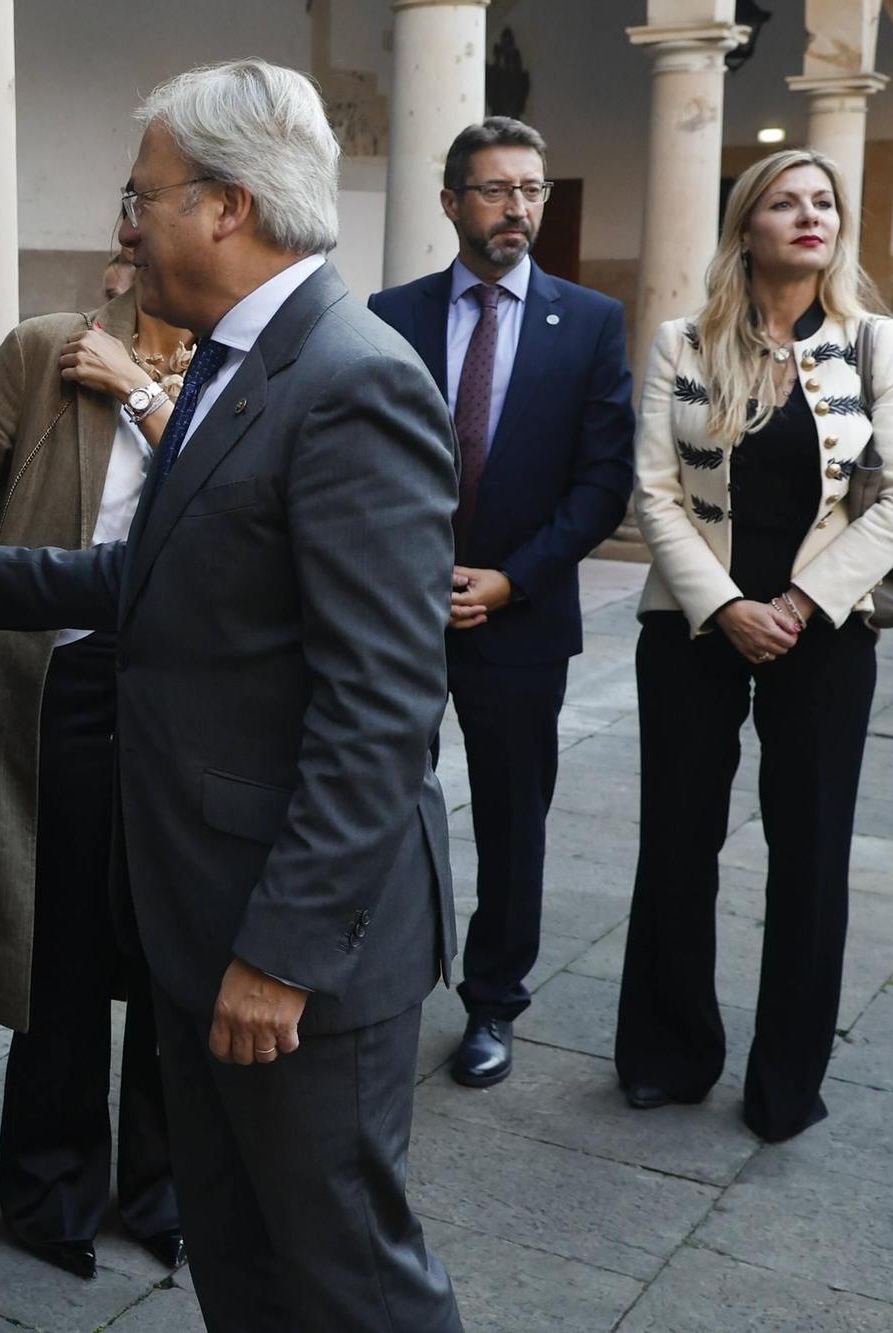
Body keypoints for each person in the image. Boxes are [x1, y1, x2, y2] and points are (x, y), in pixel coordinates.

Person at [0, 60, 464, 1332]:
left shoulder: (349, 378)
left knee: (344, 1271)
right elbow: (164, 575)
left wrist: (276, 952)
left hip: (293, 938)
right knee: (240, 1252)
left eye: (138, 195)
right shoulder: (233, 361)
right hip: (200, 911)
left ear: (224, 206)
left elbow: (378, 706)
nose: (121, 224)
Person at [616, 149, 893, 1143]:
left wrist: (792, 604)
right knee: (675, 839)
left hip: (823, 631)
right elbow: (654, 492)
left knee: (808, 853)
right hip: (692, 626)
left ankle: (783, 1080)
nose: (810, 217)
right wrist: (723, 606)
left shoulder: (872, 342)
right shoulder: (681, 341)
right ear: (744, 227)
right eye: (785, 203)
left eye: (823, 203)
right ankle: (668, 1052)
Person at [0, 271, 187, 1279]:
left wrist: (139, 391)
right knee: (58, 936)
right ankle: (48, 1188)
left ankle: (165, 1189)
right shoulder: (43, 349)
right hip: (58, 675)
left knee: (175, 942)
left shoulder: (248, 365)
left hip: (191, 692)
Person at [369, 117, 634, 1088]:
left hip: (517, 618)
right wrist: (408, 575)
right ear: (449, 202)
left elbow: (601, 484)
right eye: (493, 189)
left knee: (513, 819)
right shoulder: (388, 314)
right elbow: (361, 465)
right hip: (395, 614)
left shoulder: (589, 323)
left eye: (531, 188)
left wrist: (509, 577)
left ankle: (493, 1003)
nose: (517, 205)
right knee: (373, 800)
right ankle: (376, 980)